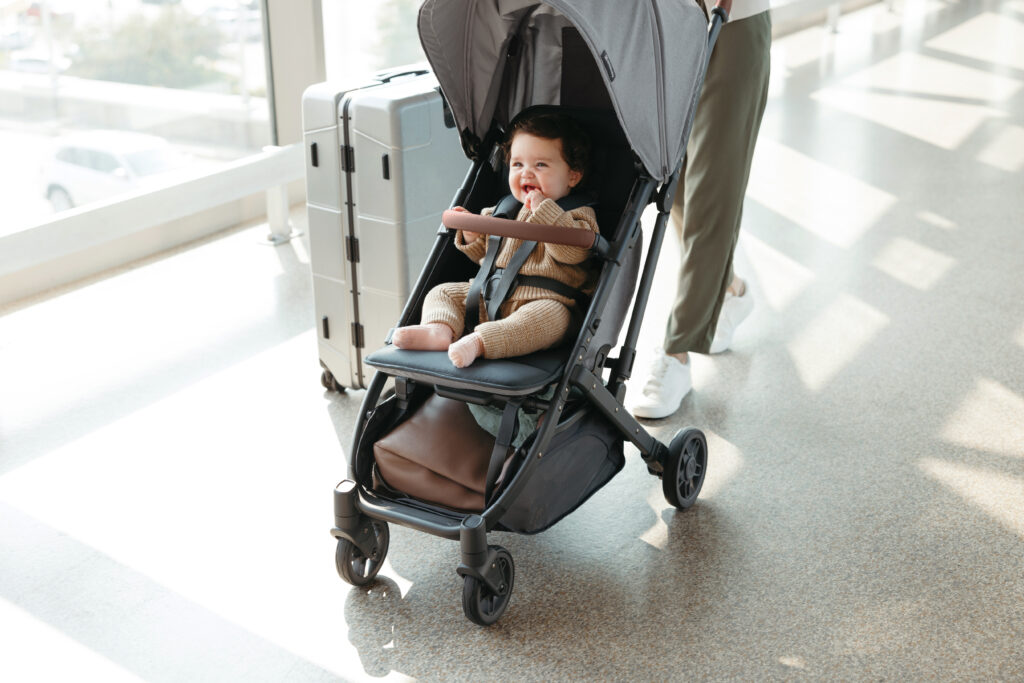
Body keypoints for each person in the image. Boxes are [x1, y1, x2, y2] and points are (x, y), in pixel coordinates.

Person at [629, 0, 771, 419]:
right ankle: (728, 288)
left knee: (714, 192)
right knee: (671, 181)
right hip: (665, 28)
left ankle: (676, 351)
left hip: (733, 26)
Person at [391, 111, 599, 368]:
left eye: (540, 165)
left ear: (572, 176)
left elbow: (573, 253)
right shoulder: (503, 210)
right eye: (517, 164)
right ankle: (439, 330)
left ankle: (479, 342)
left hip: (547, 301)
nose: (527, 174)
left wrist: (545, 210)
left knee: (550, 319)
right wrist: (472, 233)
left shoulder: (578, 214)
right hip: (491, 294)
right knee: (442, 292)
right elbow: (486, 257)